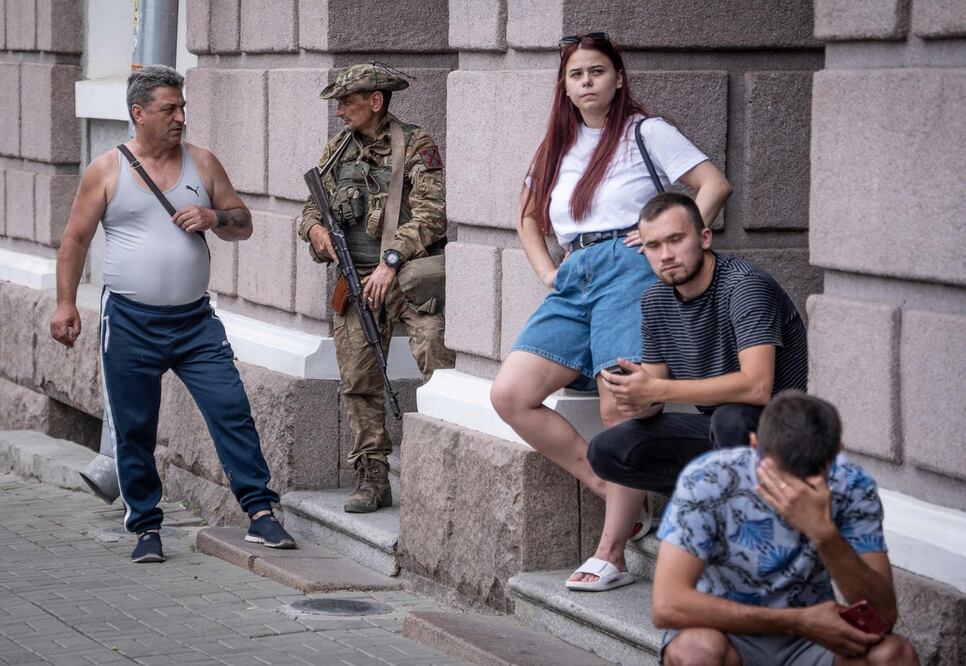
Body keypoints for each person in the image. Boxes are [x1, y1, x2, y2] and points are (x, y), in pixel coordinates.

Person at [489, 33, 732, 591]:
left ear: (618, 77)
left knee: (620, 400)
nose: (587, 82)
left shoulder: (645, 132)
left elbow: (712, 184)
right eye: (576, 75)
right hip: (573, 273)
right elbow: (527, 219)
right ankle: (615, 487)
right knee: (511, 394)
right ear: (566, 86)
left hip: (629, 272)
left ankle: (612, 552)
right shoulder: (555, 144)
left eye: (597, 71)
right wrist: (549, 272)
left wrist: (661, 241)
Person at [49, 65, 295, 563]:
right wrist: (65, 302)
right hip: (131, 322)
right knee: (135, 427)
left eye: (182, 108)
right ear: (139, 114)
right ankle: (145, 526)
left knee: (231, 409)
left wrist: (214, 217)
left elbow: (242, 223)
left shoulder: (202, 164)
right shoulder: (108, 169)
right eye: (170, 109)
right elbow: (75, 238)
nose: (181, 117)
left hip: (195, 323)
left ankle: (261, 514)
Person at [652, 391, 919, 666]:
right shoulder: (709, 479)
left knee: (894, 655)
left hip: (810, 642)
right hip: (727, 629)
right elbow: (667, 605)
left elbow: (884, 615)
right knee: (695, 651)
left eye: (812, 475)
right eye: (779, 473)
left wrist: (824, 533)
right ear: (754, 444)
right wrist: (799, 622)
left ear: (836, 452)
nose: (792, 491)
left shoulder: (851, 485)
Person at [298, 63, 455, 514]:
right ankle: (372, 475)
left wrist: (391, 260)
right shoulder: (337, 149)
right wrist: (315, 232)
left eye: (346, 102)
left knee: (435, 356)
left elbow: (432, 214)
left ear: (376, 101)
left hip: (406, 277)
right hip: (355, 280)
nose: (339, 111)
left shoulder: (416, 143)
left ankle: (444, 461)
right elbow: (311, 207)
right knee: (358, 380)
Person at [587, 192, 808, 498]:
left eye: (675, 239)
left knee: (730, 417)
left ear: (704, 238)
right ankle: (711, 499)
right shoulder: (655, 301)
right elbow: (653, 398)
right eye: (653, 245)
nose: (665, 254)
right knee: (607, 450)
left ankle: (746, 515)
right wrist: (635, 396)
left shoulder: (744, 287)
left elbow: (757, 387)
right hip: (719, 433)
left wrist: (656, 390)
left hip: (781, 434)